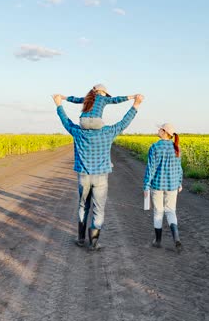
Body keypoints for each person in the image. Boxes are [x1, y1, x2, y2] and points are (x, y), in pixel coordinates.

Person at [52, 93, 144, 250]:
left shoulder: (78, 131)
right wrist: (136, 105)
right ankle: (94, 243)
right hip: (101, 177)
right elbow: (124, 123)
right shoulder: (107, 132)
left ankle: (81, 239)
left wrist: (59, 104)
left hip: (83, 176)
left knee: (83, 206)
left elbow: (65, 121)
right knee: (98, 209)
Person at [143, 123, 183, 252]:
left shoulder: (155, 147)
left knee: (158, 212)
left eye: (160, 128)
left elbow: (151, 169)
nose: (158, 130)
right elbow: (179, 168)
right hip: (172, 185)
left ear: (164, 131)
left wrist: (146, 185)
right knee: (171, 211)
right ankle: (176, 239)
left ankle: (158, 241)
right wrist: (179, 182)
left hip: (157, 185)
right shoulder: (176, 147)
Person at [60, 84, 137, 129]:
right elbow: (116, 99)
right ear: (103, 92)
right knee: (105, 130)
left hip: (83, 122)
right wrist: (132, 97)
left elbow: (75, 99)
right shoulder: (104, 98)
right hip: (97, 122)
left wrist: (64, 97)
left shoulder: (87, 98)